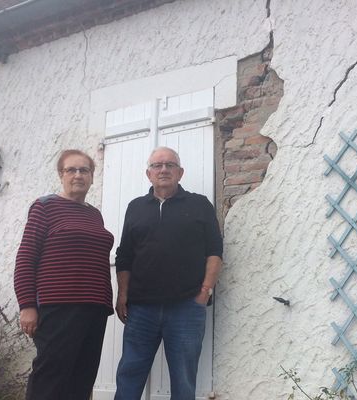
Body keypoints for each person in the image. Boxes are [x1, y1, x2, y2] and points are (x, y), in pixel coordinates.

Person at [114, 146, 223, 400]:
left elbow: (215, 252)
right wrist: (122, 295)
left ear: (180, 172)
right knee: (129, 374)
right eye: (157, 165)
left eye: (170, 165)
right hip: (141, 309)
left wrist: (204, 291)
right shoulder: (135, 207)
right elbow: (125, 255)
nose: (163, 170)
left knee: (184, 381)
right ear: (148, 174)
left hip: (186, 307)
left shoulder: (199, 204)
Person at [14, 149, 114, 400]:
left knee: (81, 377)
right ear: (61, 175)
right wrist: (27, 305)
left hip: (94, 307)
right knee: (51, 376)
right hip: (58, 307)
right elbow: (26, 258)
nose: (78, 175)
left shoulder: (94, 214)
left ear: (92, 177)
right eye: (71, 170)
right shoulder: (45, 206)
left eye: (85, 170)